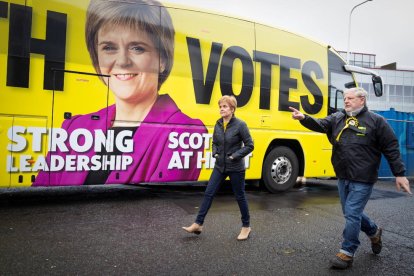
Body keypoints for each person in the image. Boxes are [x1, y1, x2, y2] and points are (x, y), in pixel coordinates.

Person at [34, 0, 206, 186]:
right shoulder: (74, 127)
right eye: (109, 47)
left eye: (137, 48)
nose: (122, 61)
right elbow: (38, 205)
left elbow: (159, 211)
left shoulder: (183, 132)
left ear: (162, 59)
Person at [289, 87, 412, 269]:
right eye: (345, 98)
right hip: (343, 175)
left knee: (352, 212)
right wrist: (304, 118)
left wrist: (399, 174)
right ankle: (374, 231)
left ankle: (347, 252)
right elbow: (321, 124)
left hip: (363, 177)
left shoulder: (376, 121)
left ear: (362, 100)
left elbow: (391, 147)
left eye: (350, 98)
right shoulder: (338, 118)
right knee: (349, 212)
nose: (346, 101)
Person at [182, 95, 254, 241]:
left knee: (239, 196)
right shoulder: (218, 124)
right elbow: (214, 142)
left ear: (232, 109)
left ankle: (246, 227)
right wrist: (214, 151)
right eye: (220, 106)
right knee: (209, 193)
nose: (221, 109)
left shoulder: (241, 125)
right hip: (220, 166)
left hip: (235, 167)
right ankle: (198, 224)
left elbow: (249, 145)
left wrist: (235, 156)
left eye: (225, 106)